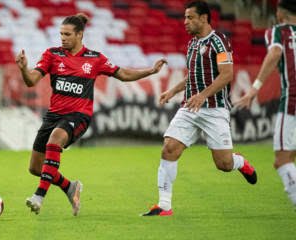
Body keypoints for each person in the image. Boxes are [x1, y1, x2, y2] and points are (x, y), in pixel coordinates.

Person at [15, 13, 167, 216]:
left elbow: (123, 74)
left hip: (78, 116)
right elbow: (31, 81)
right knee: (36, 168)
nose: (63, 38)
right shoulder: (52, 54)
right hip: (53, 115)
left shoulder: (95, 59)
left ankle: (38, 196)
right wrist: (24, 69)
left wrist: (150, 71)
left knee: (54, 141)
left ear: (79, 35)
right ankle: (70, 187)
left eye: (67, 34)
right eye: (61, 34)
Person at [142, 0, 257, 217]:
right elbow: (192, 76)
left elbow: (227, 74)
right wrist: (172, 92)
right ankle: (164, 206)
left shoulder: (219, 42)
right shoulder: (193, 43)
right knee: (169, 148)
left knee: (223, 164)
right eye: (185, 17)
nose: (185, 22)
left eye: (190, 17)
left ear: (204, 18)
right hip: (190, 107)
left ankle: (239, 161)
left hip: (215, 108)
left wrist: (203, 95)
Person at [235, 0, 296, 207]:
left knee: (282, 159)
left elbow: (276, 53)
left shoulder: (278, 32)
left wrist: (254, 88)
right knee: (291, 155)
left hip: (292, 102)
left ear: (279, 13)